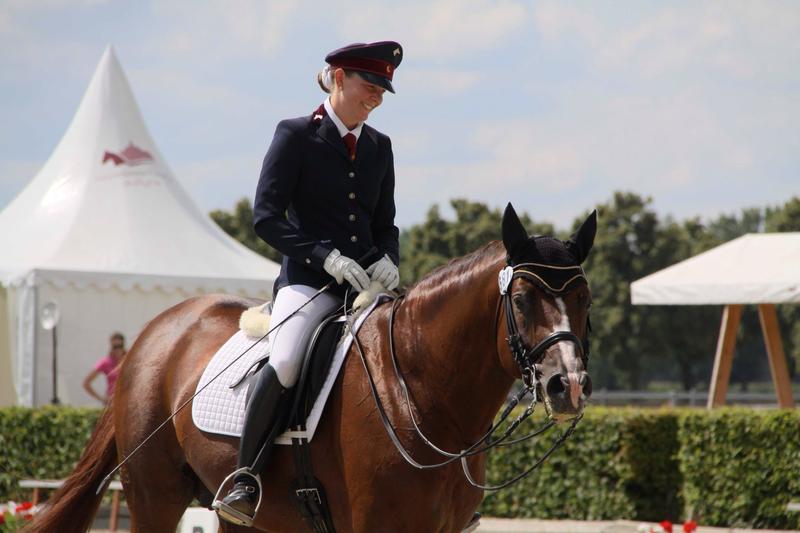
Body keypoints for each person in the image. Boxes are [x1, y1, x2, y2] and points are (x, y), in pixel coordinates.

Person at [214, 41, 403, 526]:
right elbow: (266, 217)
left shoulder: (380, 146)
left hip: (365, 286)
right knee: (287, 358)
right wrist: (325, 256)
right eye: (370, 85)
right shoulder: (296, 135)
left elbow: (386, 223)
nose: (377, 97)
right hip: (308, 284)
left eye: (383, 89)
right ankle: (245, 478)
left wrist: (389, 261)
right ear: (338, 78)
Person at [82, 332, 126, 404]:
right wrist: (101, 399)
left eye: (120, 346)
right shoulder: (106, 362)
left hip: (128, 402)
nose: (118, 349)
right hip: (112, 403)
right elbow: (86, 383)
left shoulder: (130, 361)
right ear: (111, 346)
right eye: (115, 347)